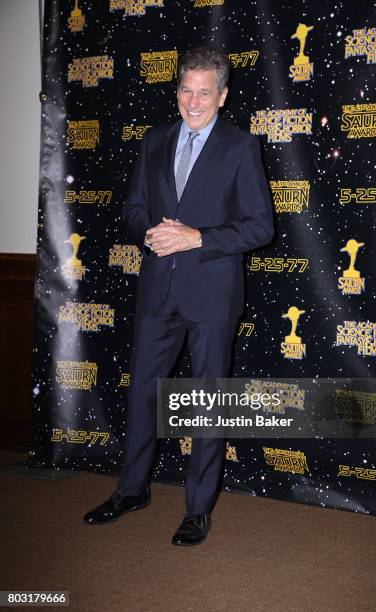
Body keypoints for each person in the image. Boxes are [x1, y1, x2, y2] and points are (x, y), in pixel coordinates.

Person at [83, 46, 274, 545]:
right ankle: (131, 490)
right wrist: (151, 232)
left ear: (223, 95)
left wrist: (197, 238)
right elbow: (132, 209)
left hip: (212, 295)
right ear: (177, 90)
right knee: (143, 393)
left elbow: (260, 227)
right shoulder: (154, 140)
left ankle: (197, 509)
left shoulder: (240, 147)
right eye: (186, 90)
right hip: (156, 293)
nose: (193, 101)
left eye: (204, 92)